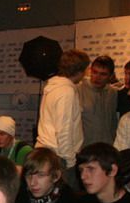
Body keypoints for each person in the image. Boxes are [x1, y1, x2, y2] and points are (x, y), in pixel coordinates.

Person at [35, 49, 90, 188]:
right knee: (65, 196)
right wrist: (70, 161)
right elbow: (64, 129)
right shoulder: (66, 91)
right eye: (85, 69)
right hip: (59, 156)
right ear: (79, 71)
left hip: (47, 152)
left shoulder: (53, 87)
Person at [78, 55, 118, 145]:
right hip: (84, 147)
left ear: (111, 76)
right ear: (90, 71)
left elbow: (113, 121)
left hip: (107, 146)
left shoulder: (112, 92)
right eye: (95, 72)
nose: (97, 77)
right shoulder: (78, 90)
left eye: (103, 74)